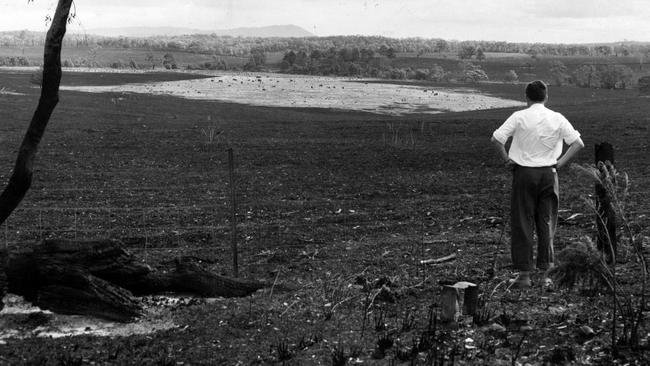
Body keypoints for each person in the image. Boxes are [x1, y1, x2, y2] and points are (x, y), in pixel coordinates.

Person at [491, 80, 584, 288]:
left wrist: (507, 160)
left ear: (526, 97)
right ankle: (546, 275)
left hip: (524, 174)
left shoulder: (519, 116)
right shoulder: (557, 118)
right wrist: (559, 163)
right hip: (549, 174)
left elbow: (497, 139)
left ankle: (524, 276)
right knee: (547, 221)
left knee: (523, 222)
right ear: (546, 97)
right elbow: (578, 143)